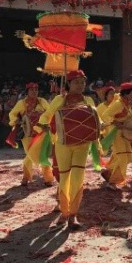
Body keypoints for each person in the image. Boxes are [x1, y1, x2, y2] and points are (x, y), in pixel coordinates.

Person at [38, 70, 99, 230]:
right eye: (77, 82)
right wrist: (44, 125)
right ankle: (64, 212)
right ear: (69, 84)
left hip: (83, 144)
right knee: (64, 178)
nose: (80, 85)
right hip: (63, 143)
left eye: (83, 82)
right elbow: (47, 115)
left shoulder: (88, 100)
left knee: (78, 177)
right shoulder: (59, 99)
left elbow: (95, 119)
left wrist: (103, 127)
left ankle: (73, 214)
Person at [8, 83, 53, 187]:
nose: (34, 92)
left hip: (42, 133)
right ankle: (26, 177)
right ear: (27, 91)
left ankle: (47, 178)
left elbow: (50, 112)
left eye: (36, 90)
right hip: (27, 133)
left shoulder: (42, 101)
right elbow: (12, 114)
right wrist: (17, 121)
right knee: (29, 154)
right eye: (32, 90)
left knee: (43, 155)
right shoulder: (22, 103)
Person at [100, 82, 132, 190]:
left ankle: (108, 172)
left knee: (128, 157)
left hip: (125, 134)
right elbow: (105, 115)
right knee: (122, 157)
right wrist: (114, 121)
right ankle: (113, 182)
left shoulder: (128, 104)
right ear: (126, 94)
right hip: (117, 134)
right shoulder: (118, 104)